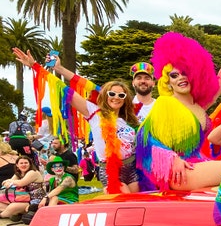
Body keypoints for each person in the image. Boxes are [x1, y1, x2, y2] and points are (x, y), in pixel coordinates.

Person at [137, 25, 221, 191]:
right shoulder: (165, 103)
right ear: (167, 80)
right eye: (174, 75)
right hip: (180, 173)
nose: (181, 78)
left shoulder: (198, 106)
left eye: (185, 73)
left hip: (197, 165)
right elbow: (145, 139)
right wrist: (173, 159)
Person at [13, 48, 136, 192]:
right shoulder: (94, 112)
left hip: (132, 169)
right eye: (112, 93)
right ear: (105, 95)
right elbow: (63, 88)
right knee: (126, 204)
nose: (116, 97)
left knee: (140, 207)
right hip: (111, 171)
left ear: (125, 99)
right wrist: (38, 67)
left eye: (121, 95)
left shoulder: (126, 118)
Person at [0, 155, 45, 220]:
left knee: (13, 207)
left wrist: (10, 181)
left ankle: (3, 215)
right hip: (21, 198)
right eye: (21, 163)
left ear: (30, 164)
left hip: (34, 201)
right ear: (17, 165)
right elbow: (5, 184)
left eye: (26, 163)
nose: (24, 165)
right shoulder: (18, 173)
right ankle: (15, 213)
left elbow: (21, 183)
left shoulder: (33, 172)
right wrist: (8, 182)